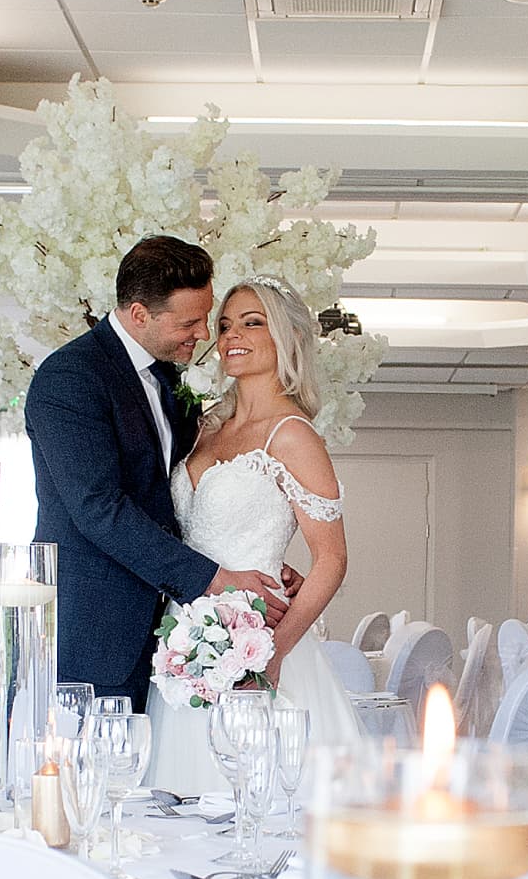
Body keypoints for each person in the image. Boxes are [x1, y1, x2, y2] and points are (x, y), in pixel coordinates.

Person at [24, 236, 289, 710]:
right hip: (92, 635)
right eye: (190, 322)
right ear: (140, 314)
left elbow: (172, 496)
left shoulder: (162, 375)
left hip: (167, 633)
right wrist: (212, 577)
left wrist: (247, 544)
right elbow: (99, 509)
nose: (205, 334)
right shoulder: (70, 379)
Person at [147, 275, 360, 795]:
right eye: (223, 325)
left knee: (255, 796)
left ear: (283, 336)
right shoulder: (204, 426)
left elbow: (331, 559)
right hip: (181, 641)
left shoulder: (293, 436)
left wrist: (274, 653)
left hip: (256, 641)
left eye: (251, 322)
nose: (231, 335)